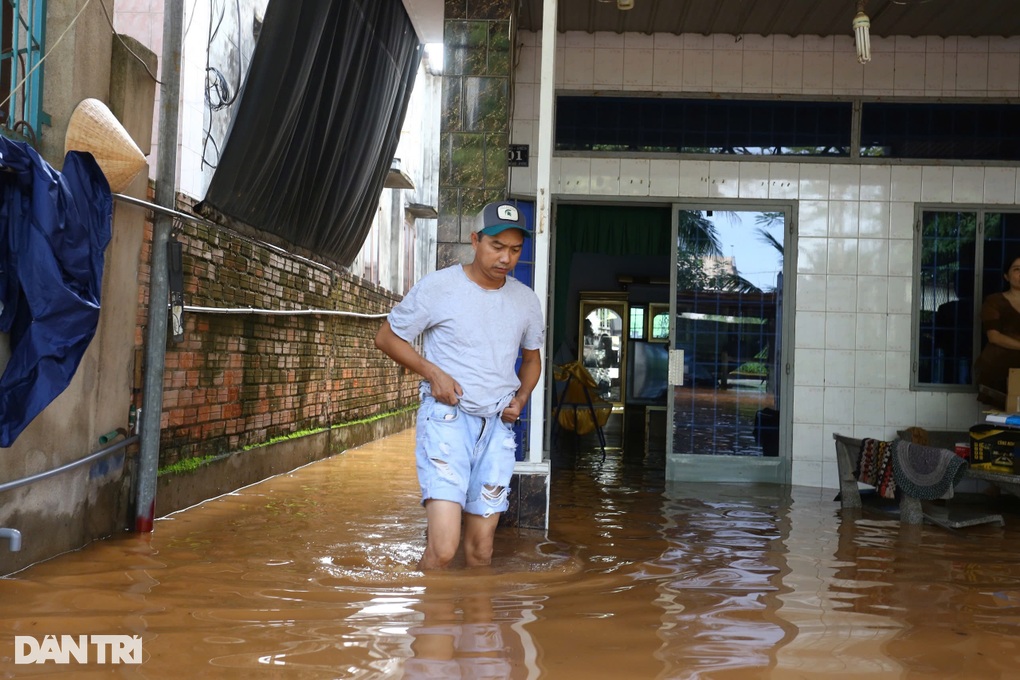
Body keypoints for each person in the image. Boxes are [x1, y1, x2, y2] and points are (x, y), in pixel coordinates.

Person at [374, 201, 544, 570]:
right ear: (475, 240)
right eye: (497, 247)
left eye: (515, 250)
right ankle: (432, 617)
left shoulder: (526, 301)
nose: (506, 258)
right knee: (445, 548)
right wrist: (432, 373)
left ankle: (473, 622)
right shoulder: (440, 287)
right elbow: (387, 338)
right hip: (447, 422)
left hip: (498, 425)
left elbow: (532, 360)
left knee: (482, 551)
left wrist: (522, 397)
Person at [974, 255, 1020, 408]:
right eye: (1017, 269)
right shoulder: (994, 301)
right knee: (1005, 421)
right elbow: (994, 336)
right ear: (1006, 276)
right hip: (1000, 369)